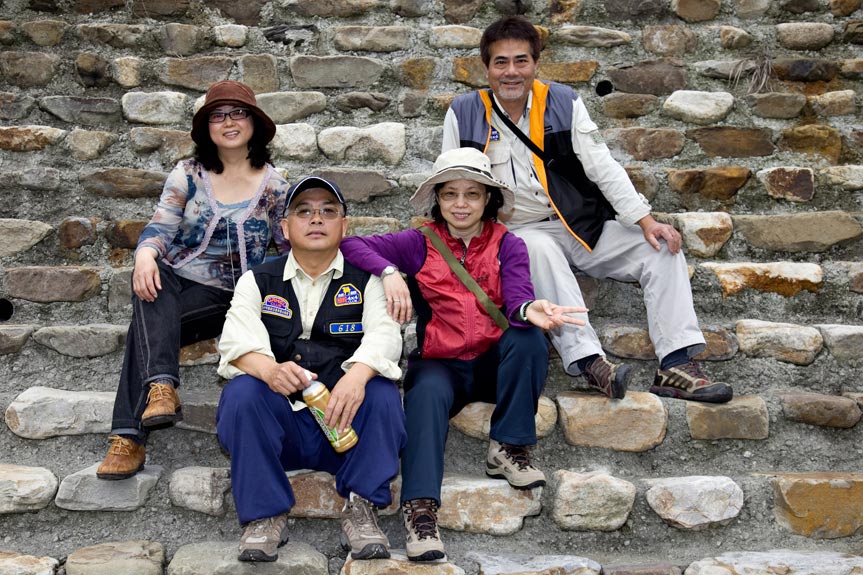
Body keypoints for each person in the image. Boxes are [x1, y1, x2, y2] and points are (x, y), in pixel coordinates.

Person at [441, 15, 733, 404]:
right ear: (486, 67)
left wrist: (645, 221)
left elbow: (602, 166)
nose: (511, 72)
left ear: (536, 63)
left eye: (521, 61)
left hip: (580, 223)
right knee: (535, 249)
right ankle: (590, 362)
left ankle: (676, 364)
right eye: (501, 62)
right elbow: (450, 181)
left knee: (661, 248)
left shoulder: (563, 102)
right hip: (518, 231)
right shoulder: (463, 112)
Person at [341, 147, 585, 562]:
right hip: (441, 363)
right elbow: (351, 244)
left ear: (488, 199)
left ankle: (508, 446)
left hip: (492, 361)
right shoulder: (418, 242)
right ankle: (420, 510)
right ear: (437, 198)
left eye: (472, 194)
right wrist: (389, 271)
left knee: (529, 339)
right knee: (424, 393)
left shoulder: (508, 244)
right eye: (450, 193)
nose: (460, 204)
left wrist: (529, 309)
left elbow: (518, 300)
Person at [97, 80, 291, 480]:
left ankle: (128, 437)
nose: (228, 122)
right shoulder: (188, 173)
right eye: (218, 116)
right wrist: (145, 255)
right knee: (153, 275)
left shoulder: (275, 187)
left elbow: (291, 248)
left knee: (143, 330)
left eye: (238, 113)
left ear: (254, 122)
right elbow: (161, 225)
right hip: (177, 287)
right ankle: (161, 389)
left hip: (233, 297)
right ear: (207, 128)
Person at [215, 177, 406, 563]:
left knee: (383, 394)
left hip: (346, 431)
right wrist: (269, 371)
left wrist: (357, 376)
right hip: (281, 430)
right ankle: (265, 515)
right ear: (285, 228)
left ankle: (361, 507)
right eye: (304, 211)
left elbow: (386, 335)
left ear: (344, 226)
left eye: (327, 211)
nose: (316, 219)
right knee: (241, 393)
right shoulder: (258, 280)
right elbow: (235, 343)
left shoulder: (367, 281)